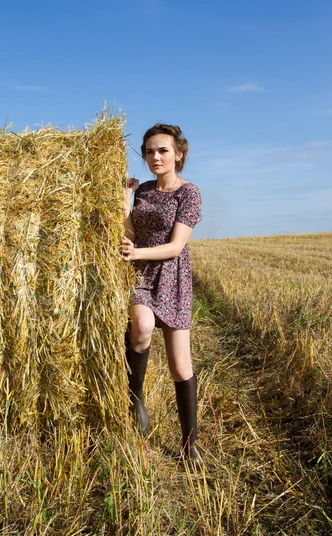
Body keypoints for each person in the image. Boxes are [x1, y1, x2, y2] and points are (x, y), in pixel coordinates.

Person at [121, 123, 202, 461]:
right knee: (140, 326)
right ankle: (135, 397)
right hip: (140, 275)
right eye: (150, 151)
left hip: (171, 275)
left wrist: (136, 252)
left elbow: (175, 246)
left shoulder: (189, 193)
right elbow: (129, 231)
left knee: (180, 366)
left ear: (178, 154)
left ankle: (190, 445)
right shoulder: (142, 191)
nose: (155, 156)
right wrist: (125, 203)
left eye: (163, 150)